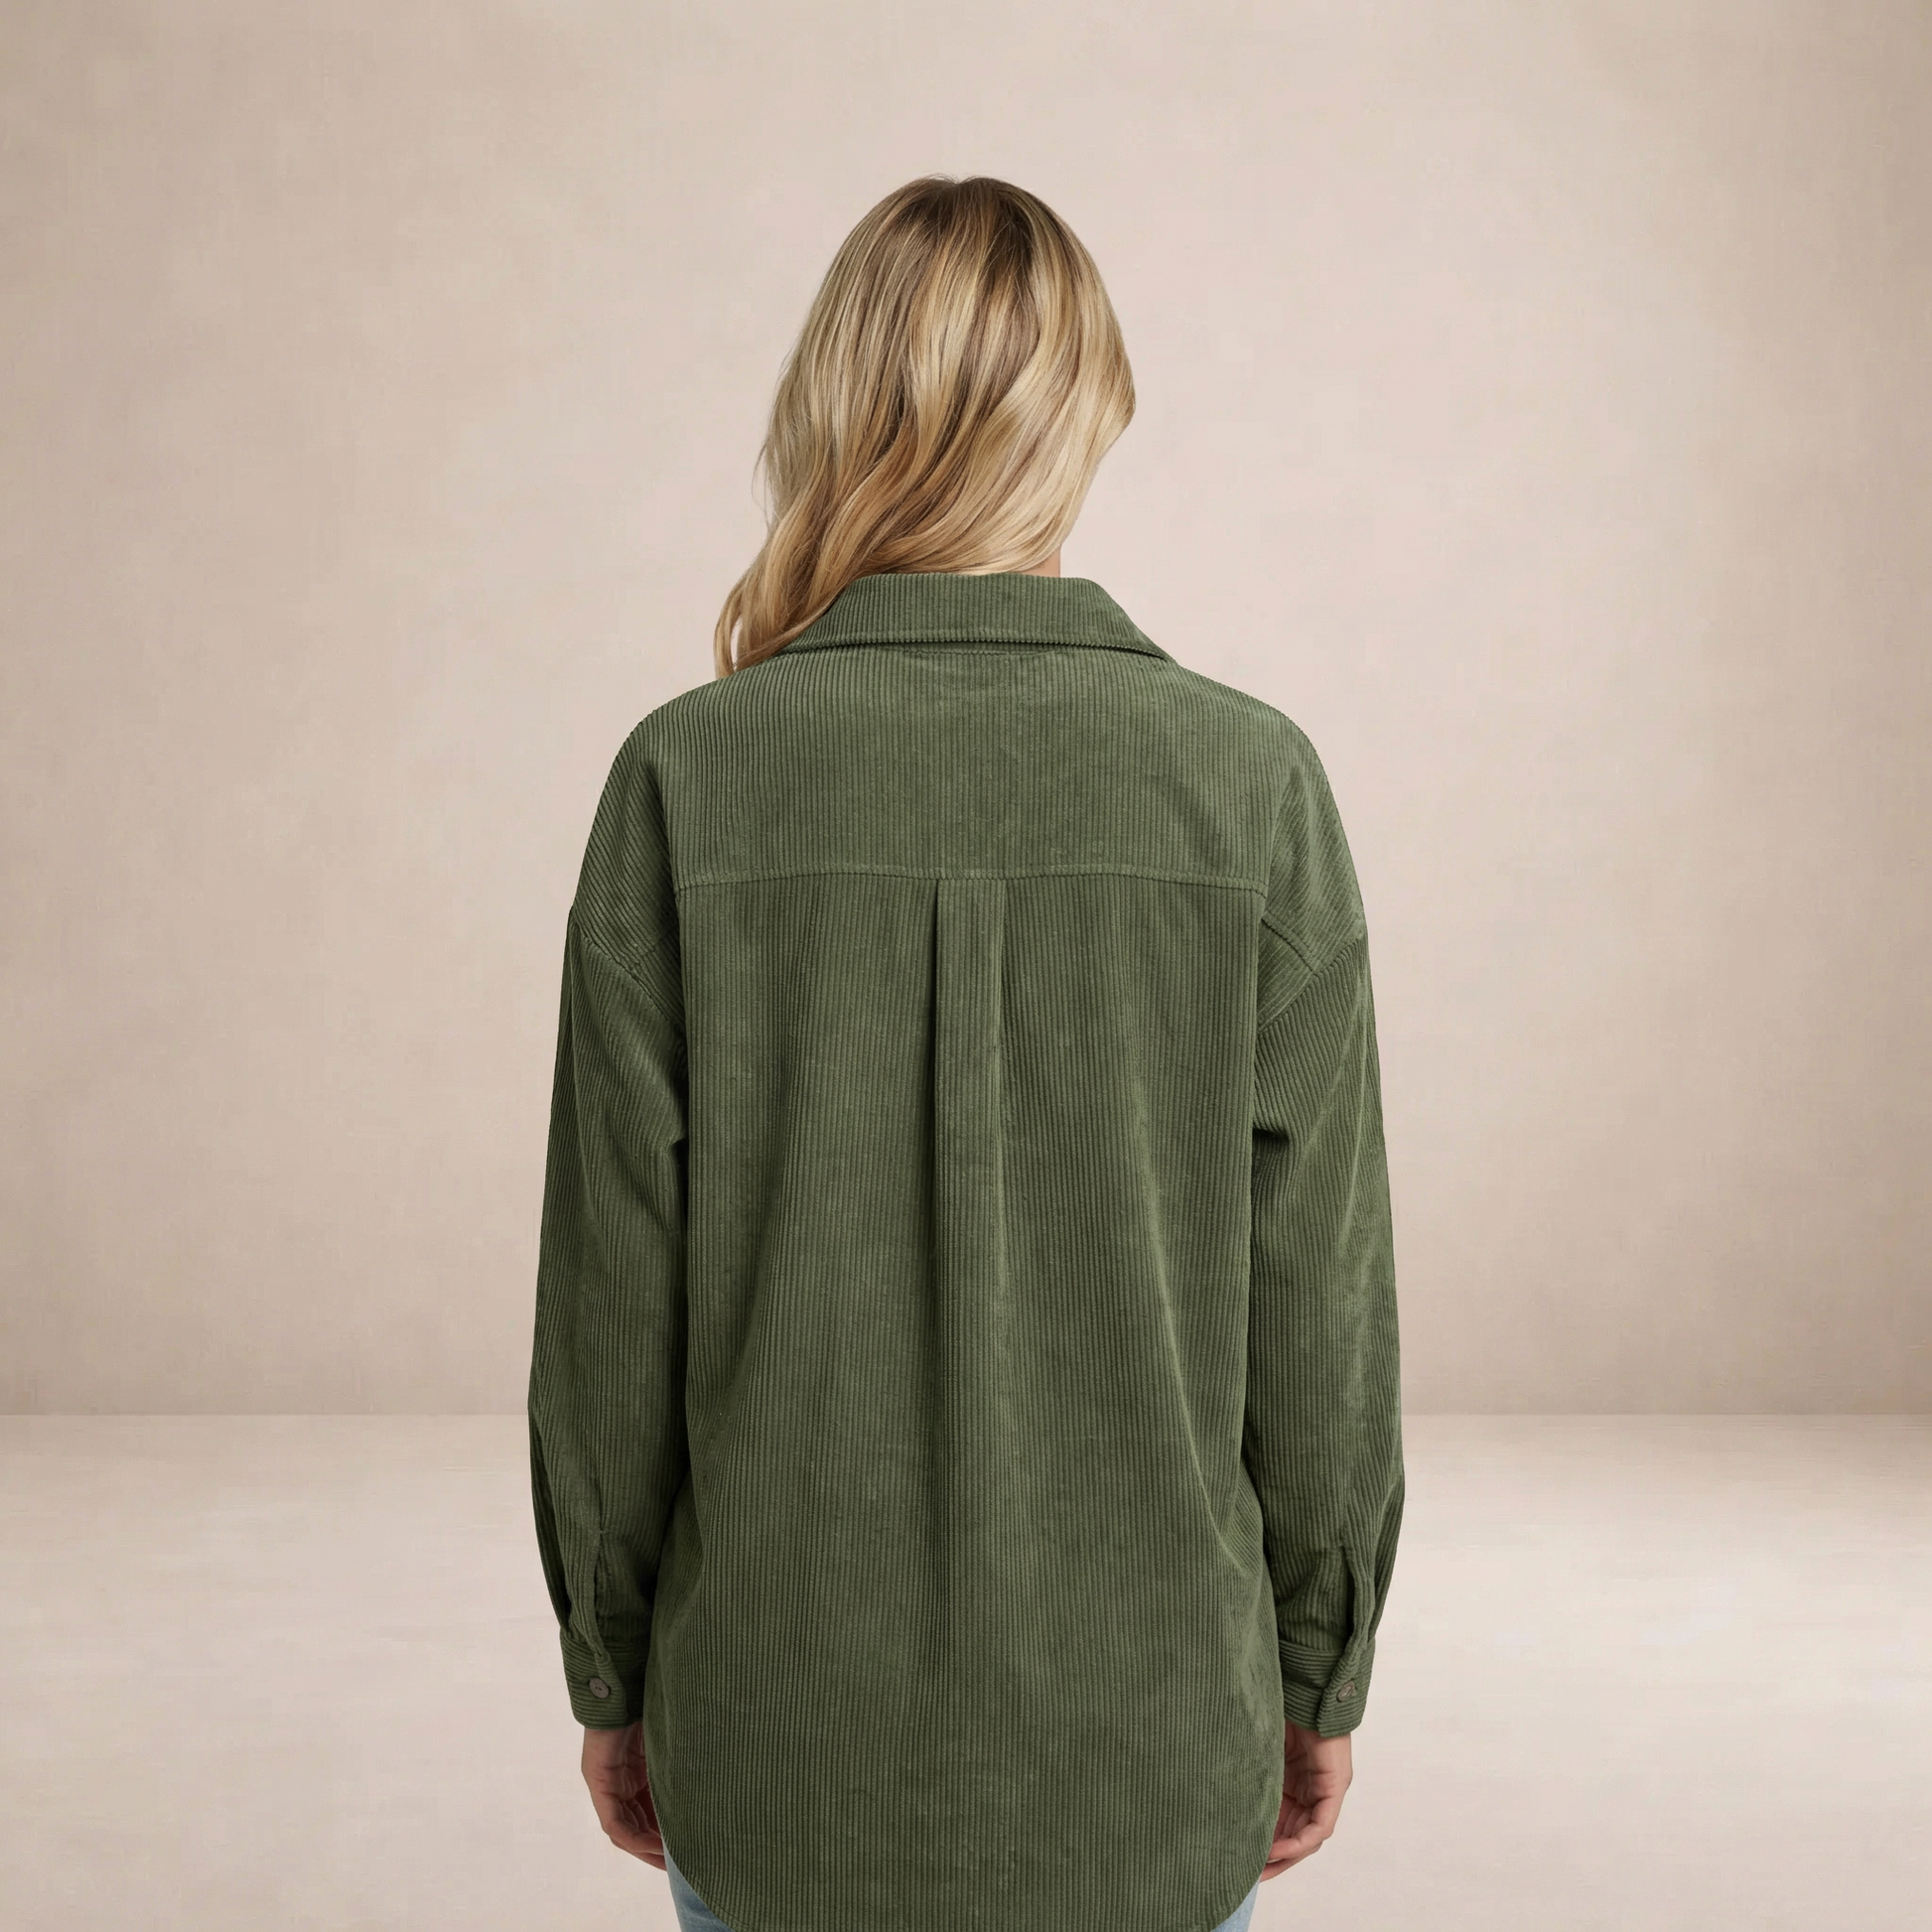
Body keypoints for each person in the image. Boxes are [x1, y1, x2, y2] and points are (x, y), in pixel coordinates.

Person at [526, 173, 1405, 1932]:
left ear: (832, 405)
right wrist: (1319, 1669)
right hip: (1150, 1761)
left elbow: (609, 1299)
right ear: (1082, 417)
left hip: (779, 1753)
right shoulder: (1250, 787)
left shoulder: (685, 778)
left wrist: (613, 1668)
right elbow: (1320, 1309)